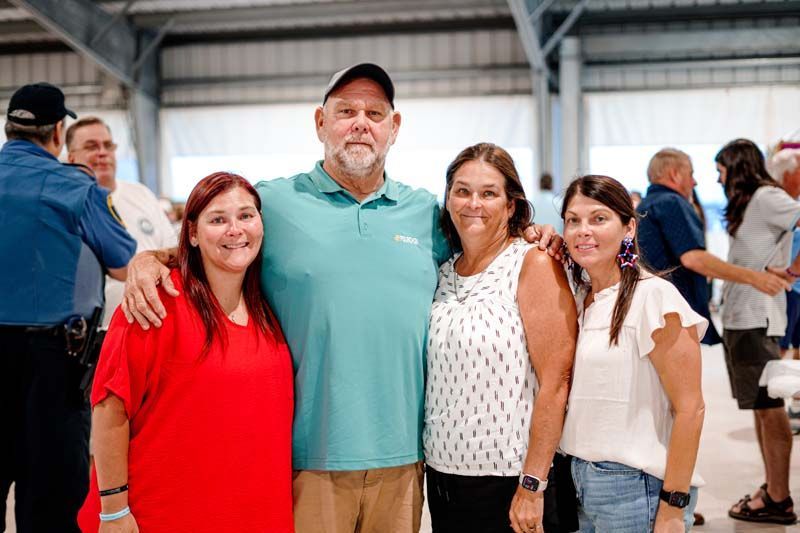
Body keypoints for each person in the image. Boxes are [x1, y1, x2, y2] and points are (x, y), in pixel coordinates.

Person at [119, 63, 561, 533]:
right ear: (320, 122)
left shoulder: (425, 214)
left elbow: (484, 236)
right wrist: (150, 258)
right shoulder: (276, 203)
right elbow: (218, 242)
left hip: (406, 461)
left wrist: (534, 232)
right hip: (308, 460)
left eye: (374, 113)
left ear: (394, 128)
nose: (360, 123)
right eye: (346, 110)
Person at [77, 172, 294, 533]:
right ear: (192, 233)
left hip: (254, 512)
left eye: (246, 215)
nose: (235, 229)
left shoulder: (268, 302)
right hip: (166, 513)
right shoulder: (155, 301)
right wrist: (113, 509)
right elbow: (110, 403)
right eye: (217, 219)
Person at [0, 82, 136, 532]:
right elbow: (122, 262)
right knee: (52, 502)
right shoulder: (72, 186)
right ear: (58, 131)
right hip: (52, 366)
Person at [423, 143, 577, 533]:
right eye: (461, 190)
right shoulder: (441, 272)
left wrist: (532, 484)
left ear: (511, 205)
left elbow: (557, 381)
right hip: (444, 477)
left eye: (489, 193)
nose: (473, 202)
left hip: (511, 479)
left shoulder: (533, 263)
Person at [559, 175, 707, 532]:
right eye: (572, 220)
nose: (583, 230)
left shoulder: (654, 298)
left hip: (635, 487)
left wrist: (673, 506)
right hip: (576, 481)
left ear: (628, 227)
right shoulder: (579, 299)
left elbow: (691, 408)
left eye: (598, 219)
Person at [717, 139, 800, 525]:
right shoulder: (750, 204)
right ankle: (772, 488)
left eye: (722, 169)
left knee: (770, 409)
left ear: (738, 167)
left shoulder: (767, 195)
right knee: (760, 408)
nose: (718, 177)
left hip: (758, 317)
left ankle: (780, 498)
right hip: (740, 318)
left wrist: (793, 271)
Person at [636, 148, 788, 347]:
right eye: (691, 174)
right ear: (675, 174)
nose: (695, 182)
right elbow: (694, 258)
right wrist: (755, 277)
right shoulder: (671, 202)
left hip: (655, 311)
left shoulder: (646, 206)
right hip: (673, 315)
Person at [66, 116, 178, 329]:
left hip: (158, 324)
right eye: (91, 146)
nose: (103, 152)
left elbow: (172, 249)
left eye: (108, 145)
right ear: (71, 158)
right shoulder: (71, 205)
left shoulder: (140, 194)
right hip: (106, 329)